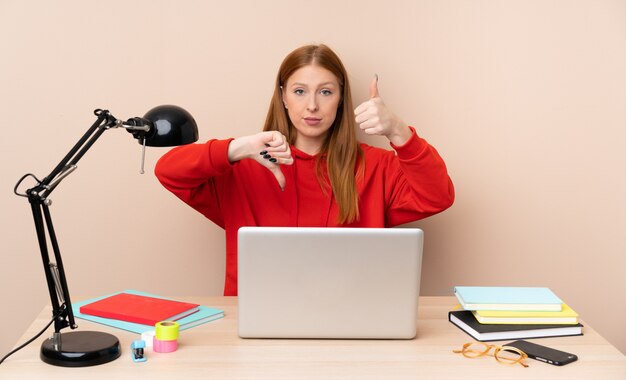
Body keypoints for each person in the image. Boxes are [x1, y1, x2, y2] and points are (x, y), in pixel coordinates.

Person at [155, 44, 454, 296]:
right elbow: (168, 171)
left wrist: (398, 131)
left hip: (353, 322)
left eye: (325, 92)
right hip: (258, 327)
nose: (312, 105)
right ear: (283, 96)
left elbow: (438, 195)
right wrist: (238, 148)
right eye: (300, 91)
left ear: (341, 99)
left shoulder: (376, 166)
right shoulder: (243, 167)